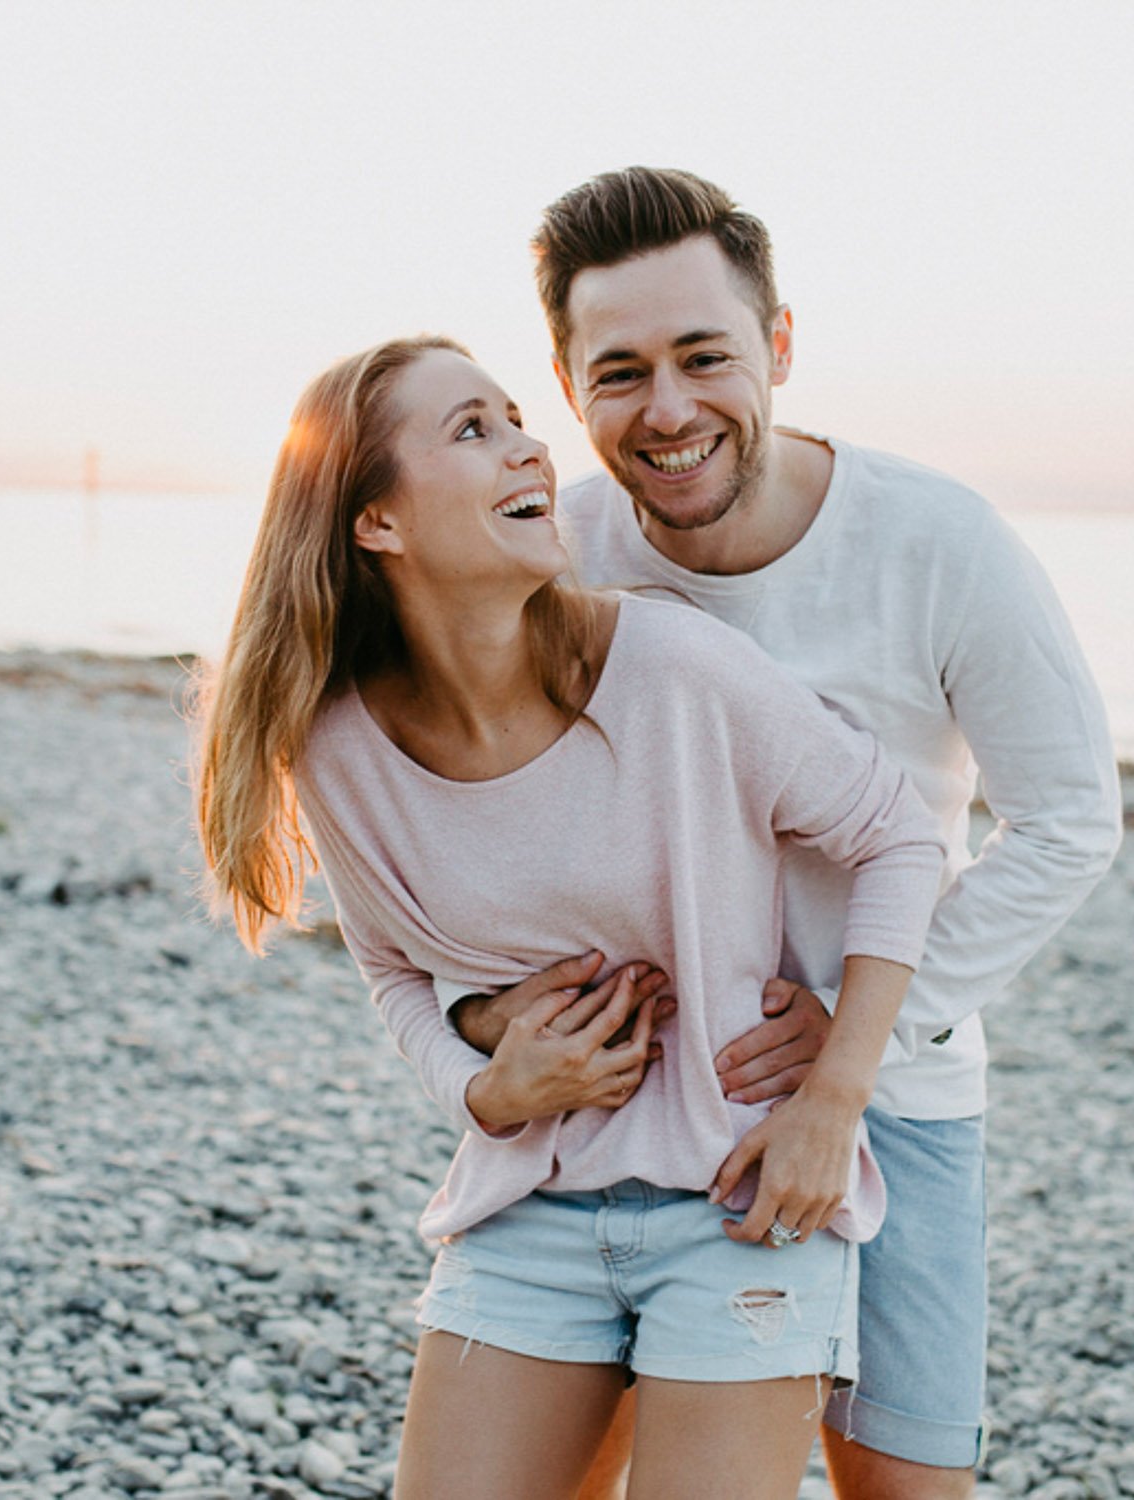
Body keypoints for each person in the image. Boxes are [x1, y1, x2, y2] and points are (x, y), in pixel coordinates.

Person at [441, 168, 1124, 1500]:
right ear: (568, 383)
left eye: (706, 357)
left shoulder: (936, 543)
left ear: (782, 348)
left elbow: (1067, 822)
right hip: (625, 1107)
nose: (669, 408)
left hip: (895, 1101)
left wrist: (855, 1028)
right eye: (621, 371)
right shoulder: (555, 552)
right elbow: (466, 798)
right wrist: (486, 1022)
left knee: (904, 1484)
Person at [193, 334, 949, 1500]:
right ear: (374, 522)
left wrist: (833, 1099)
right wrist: (480, 1088)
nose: (525, 443)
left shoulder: (673, 668)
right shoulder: (338, 750)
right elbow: (393, 973)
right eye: (471, 430)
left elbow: (897, 835)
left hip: (736, 1198)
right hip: (527, 1207)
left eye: (512, 417)